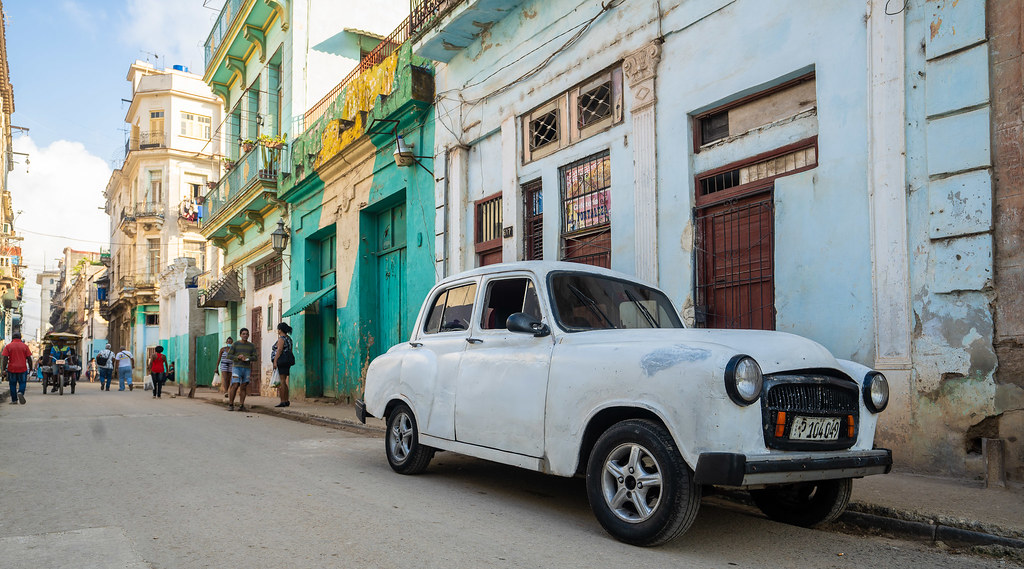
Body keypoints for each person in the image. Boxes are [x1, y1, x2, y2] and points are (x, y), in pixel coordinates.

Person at [225, 328, 256, 412]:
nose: (245, 335)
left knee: (244, 386)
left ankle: (241, 405)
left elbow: (255, 357)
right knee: (235, 384)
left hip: (246, 368)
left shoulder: (251, 346)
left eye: (246, 334)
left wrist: (248, 358)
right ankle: (231, 404)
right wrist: (237, 357)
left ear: (248, 335)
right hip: (236, 367)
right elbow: (229, 356)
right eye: (243, 334)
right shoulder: (235, 344)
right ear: (240, 335)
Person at [2, 332, 33, 405]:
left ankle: (14, 400)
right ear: (20, 338)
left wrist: (3, 369)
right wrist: (31, 368)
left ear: (12, 338)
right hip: (22, 368)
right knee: (22, 382)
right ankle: (20, 392)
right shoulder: (25, 346)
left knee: (12, 384)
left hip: (11, 368)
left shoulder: (8, 346)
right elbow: (29, 358)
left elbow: (5, 359)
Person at [271, 322, 294, 408]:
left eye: (278, 329)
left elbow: (279, 350)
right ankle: (286, 400)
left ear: (280, 330)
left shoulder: (281, 339)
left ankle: (283, 400)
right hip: (287, 361)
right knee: (284, 380)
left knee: (282, 381)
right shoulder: (289, 339)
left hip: (281, 361)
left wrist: (275, 361)